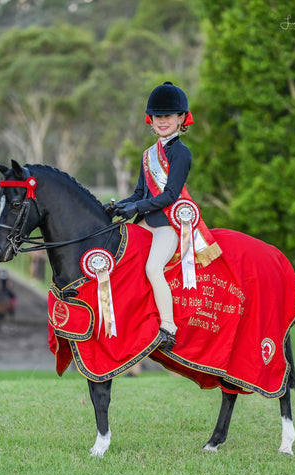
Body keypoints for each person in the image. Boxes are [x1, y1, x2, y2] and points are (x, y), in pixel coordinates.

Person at [109, 81, 195, 350]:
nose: (162, 121)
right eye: (158, 116)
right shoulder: (148, 155)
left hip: (167, 224)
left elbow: (170, 195)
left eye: (168, 116)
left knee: (152, 268)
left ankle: (168, 327)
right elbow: (138, 193)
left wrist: (137, 208)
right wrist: (116, 207)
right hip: (145, 223)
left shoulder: (181, 153)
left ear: (181, 118)